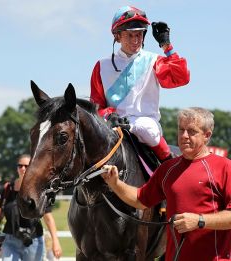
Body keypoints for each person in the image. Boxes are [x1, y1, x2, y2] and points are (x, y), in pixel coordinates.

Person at [101, 107, 231, 261]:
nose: (184, 136)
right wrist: (114, 183)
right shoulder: (167, 169)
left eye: (191, 131)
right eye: (181, 130)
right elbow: (140, 199)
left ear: (207, 135)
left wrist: (199, 221)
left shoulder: (225, 168)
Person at [90, 5, 190, 162]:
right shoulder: (101, 66)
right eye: (130, 35)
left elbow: (181, 78)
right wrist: (109, 114)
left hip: (147, 124)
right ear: (117, 36)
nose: (136, 40)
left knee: (146, 129)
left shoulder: (154, 60)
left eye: (139, 34)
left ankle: (168, 163)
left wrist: (167, 47)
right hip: (113, 124)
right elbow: (96, 105)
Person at [0, 154, 62, 261]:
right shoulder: (8, 189)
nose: (23, 168)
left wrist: (55, 241)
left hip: (34, 241)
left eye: (26, 166)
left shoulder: (39, 191)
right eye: (20, 166)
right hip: (10, 240)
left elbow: (48, 218)